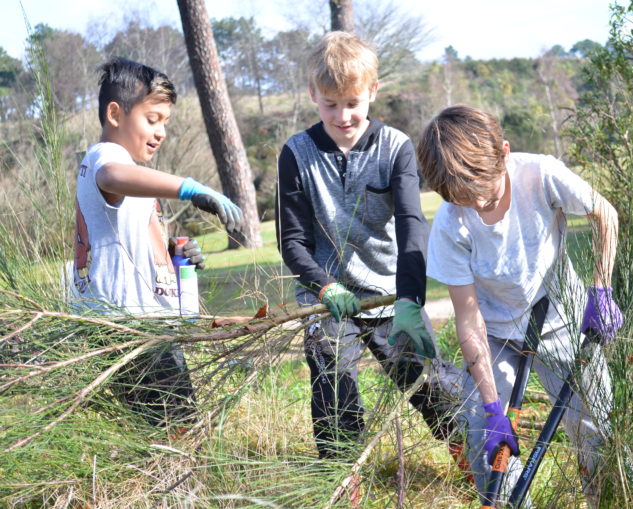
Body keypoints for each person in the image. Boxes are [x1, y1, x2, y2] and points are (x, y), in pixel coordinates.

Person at [275, 32, 467, 469]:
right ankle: (343, 481)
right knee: (334, 396)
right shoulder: (296, 154)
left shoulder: (395, 147)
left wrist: (409, 301)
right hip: (327, 301)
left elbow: (412, 227)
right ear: (313, 95)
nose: (342, 115)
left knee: (431, 385)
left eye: (352, 102)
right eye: (330, 103)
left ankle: (469, 457)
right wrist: (323, 287)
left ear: (373, 92)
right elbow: (292, 242)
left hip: (388, 293)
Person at [419, 105, 622, 507]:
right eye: (463, 199)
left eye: (485, 193)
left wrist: (601, 290)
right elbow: (468, 316)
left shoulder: (541, 174)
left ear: (505, 153)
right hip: (495, 334)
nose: (476, 205)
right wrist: (494, 407)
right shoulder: (449, 224)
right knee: (483, 437)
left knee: (596, 430)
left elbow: (606, 214)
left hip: (563, 321)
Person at [72, 57, 243, 427]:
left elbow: (132, 240)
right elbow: (111, 175)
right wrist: (188, 187)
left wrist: (174, 255)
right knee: (178, 436)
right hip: (132, 326)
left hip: (149, 324)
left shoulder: (139, 177)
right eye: (152, 120)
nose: (161, 131)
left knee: (165, 435)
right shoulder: (108, 157)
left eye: (165, 122)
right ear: (115, 114)